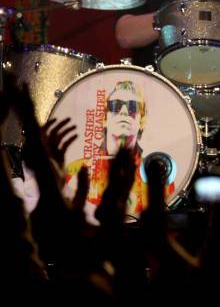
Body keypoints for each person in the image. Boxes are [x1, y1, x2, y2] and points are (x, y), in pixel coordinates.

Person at [65, 80, 172, 217]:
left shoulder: (161, 178)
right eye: (115, 106)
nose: (124, 112)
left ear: (142, 120)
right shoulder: (74, 171)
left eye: (133, 107)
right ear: (104, 117)